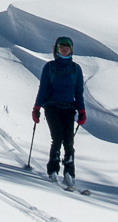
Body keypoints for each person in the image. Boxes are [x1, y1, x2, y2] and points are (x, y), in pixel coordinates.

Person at [31, 36, 87, 189]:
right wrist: (37, 108)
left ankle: (69, 172)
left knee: (69, 141)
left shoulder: (76, 69)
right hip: (52, 107)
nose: (64, 49)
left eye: (67, 47)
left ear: (71, 50)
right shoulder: (49, 67)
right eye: (62, 46)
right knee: (57, 137)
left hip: (69, 108)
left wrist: (81, 111)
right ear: (56, 49)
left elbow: (78, 92)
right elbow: (43, 89)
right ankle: (53, 169)